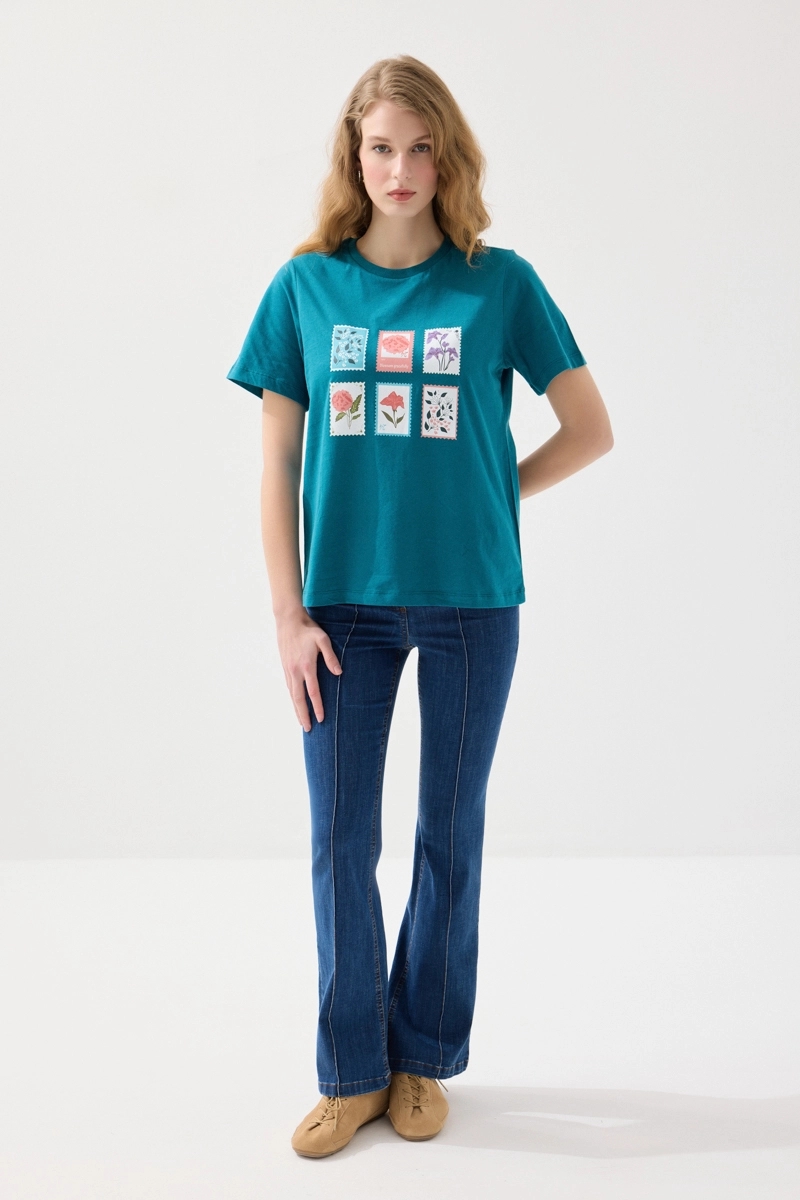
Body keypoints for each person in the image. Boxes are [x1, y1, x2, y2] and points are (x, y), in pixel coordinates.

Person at [226, 54, 613, 1159]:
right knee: (339, 838)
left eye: (421, 147)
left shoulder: (500, 284)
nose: (400, 169)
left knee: (449, 833)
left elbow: (590, 429)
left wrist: (496, 494)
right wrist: (286, 615)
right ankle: (350, 1071)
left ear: (450, 157)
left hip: (470, 604)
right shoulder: (305, 287)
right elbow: (276, 463)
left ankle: (423, 1058)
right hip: (340, 609)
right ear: (354, 157)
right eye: (381, 147)